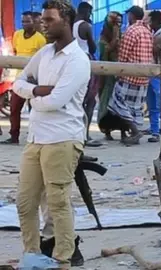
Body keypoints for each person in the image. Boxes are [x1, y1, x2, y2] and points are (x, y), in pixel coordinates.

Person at [13, 0, 90, 268]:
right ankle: (32, 256)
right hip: (36, 137)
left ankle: (63, 260)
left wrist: (34, 97)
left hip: (63, 138)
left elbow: (56, 101)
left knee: (57, 202)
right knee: (25, 202)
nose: (43, 24)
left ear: (66, 22)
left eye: (49, 20)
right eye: (43, 20)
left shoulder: (78, 60)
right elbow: (18, 82)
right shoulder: (44, 53)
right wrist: (36, 91)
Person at [107, 6, 153, 146]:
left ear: (132, 16)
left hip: (129, 76)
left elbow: (123, 55)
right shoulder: (147, 31)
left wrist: (118, 72)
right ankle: (131, 132)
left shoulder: (131, 30)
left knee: (118, 103)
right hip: (144, 76)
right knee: (135, 107)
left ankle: (134, 131)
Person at [1, 11, 46, 145]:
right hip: (18, 78)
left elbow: (42, 60)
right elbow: (15, 53)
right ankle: (14, 136)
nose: (25, 24)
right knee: (14, 108)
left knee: (35, 110)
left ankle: (36, 137)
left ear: (34, 22)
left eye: (28, 21)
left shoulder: (40, 39)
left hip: (33, 79)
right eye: (23, 22)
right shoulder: (17, 35)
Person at [73, 2, 100, 147]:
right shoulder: (85, 26)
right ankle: (86, 135)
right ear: (87, 12)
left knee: (76, 100)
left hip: (71, 60)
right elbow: (93, 48)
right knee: (90, 100)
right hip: (85, 60)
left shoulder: (70, 24)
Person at [97, 12, 125, 141]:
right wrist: (115, 36)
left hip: (120, 74)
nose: (117, 25)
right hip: (107, 76)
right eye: (115, 22)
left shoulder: (122, 34)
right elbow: (106, 50)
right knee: (107, 103)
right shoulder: (103, 38)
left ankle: (123, 131)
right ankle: (107, 130)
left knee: (121, 104)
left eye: (119, 23)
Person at [145, 10, 161, 143]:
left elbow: (151, 50)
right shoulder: (156, 34)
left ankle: (158, 130)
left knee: (158, 103)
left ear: (158, 22)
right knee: (153, 103)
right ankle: (155, 129)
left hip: (159, 73)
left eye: (151, 21)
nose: (149, 24)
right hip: (154, 73)